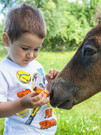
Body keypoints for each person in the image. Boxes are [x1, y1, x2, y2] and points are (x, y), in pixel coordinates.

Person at [0, 3, 59, 135]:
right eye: (25, 48)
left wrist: (50, 83)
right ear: (6, 40)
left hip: (45, 130)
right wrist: (22, 104)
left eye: (36, 49)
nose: (31, 55)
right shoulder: (3, 71)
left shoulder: (36, 65)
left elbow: (44, 93)